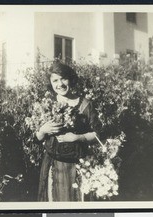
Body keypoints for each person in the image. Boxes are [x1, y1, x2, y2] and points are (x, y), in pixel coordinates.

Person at [35, 61, 101, 201]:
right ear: (51, 83)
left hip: (77, 166)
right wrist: (43, 130)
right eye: (55, 80)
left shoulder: (85, 105)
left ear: (71, 79)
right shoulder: (47, 104)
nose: (60, 84)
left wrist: (77, 138)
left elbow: (97, 135)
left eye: (64, 78)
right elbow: (38, 137)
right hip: (53, 166)